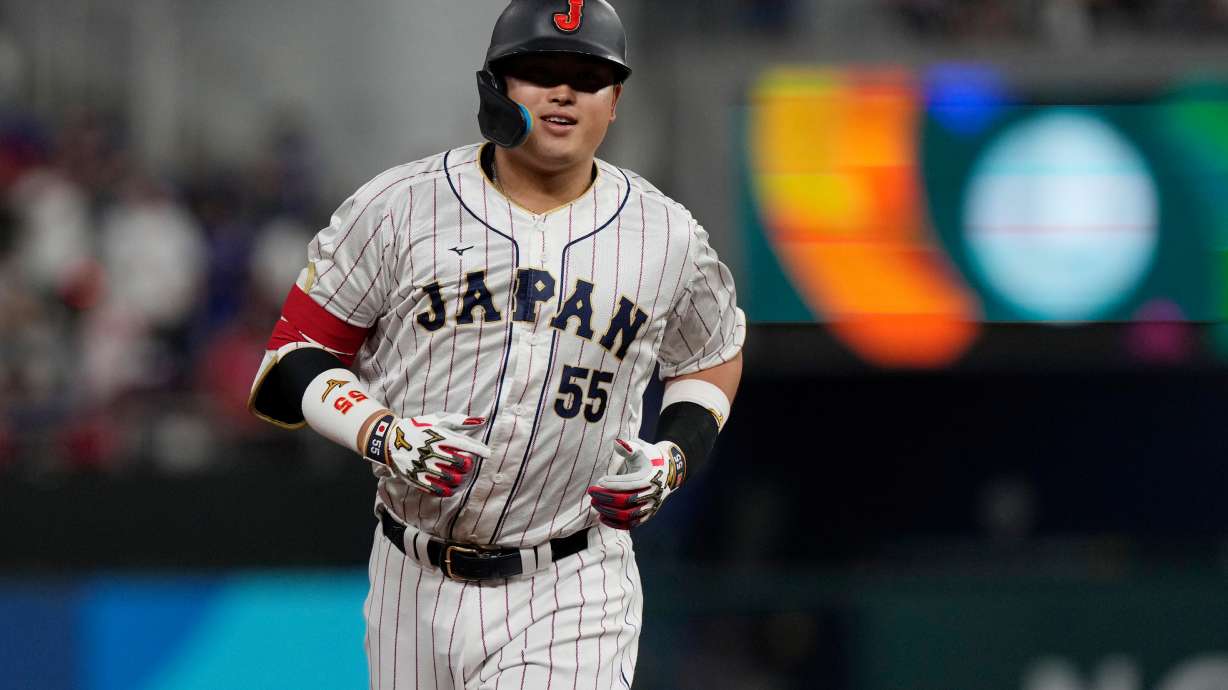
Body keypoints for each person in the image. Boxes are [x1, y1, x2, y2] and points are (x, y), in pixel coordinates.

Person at [247, 1, 744, 687]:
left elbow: (711, 353)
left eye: (589, 75)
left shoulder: (666, 236)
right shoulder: (399, 207)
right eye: (539, 70)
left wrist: (677, 453)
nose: (565, 90)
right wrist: (380, 433)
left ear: (616, 100)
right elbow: (295, 353)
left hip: (570, 580)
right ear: (496, 87)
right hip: (409, 578)